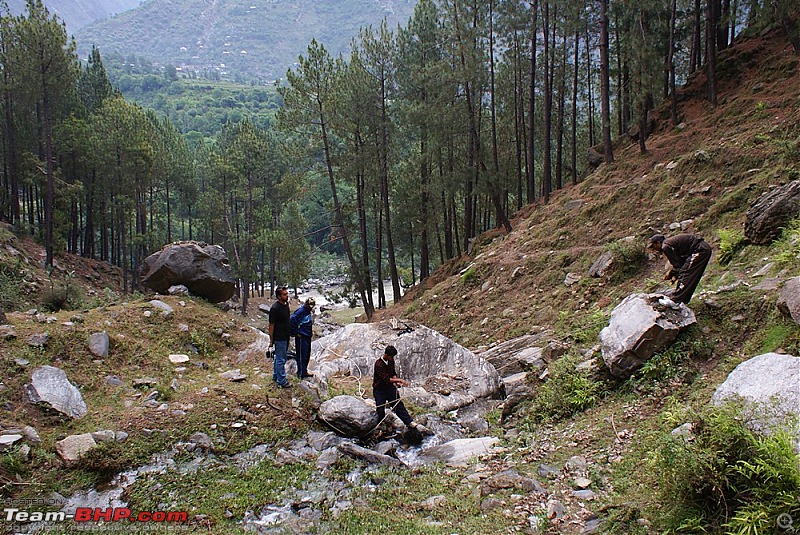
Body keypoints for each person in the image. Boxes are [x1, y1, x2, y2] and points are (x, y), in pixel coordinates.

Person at [372, 345, 421, 444]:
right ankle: (381, 427)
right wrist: (399, 380)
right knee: (380, 409)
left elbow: (392, 373)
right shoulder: (378, 364)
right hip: (379, 390)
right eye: (391, 357)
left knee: (398, 405)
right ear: (386, 355)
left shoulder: (391, 361)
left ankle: (408, 422)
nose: (392, 359)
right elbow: (385, 379)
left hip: (390, 388)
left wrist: (396, 381)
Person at [648, 233, 712, 304]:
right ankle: (682, 299)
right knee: (687, 273)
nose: (654, 249)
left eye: (653, 246)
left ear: (658, 243)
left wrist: (673, 274)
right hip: (702, 249)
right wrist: (673, 274)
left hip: (699, 250)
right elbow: (680, 263)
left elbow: (678, 266)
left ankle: (676, 300)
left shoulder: (666, 246)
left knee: (686, 273)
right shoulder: (670, 244)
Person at [268, 286, 291, 388]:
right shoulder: (275, 308)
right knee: (281, 359)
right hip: (279, 336)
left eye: (287, 294)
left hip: (286, 335)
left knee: (278, 357)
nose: (287, 296)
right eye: (284, 294)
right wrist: (271, 339)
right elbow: (271, 325)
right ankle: (281, 381)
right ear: (278, 296)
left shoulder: (286, 305)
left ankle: (276, 375)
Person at [290, 297, 315, 379]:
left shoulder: (308, 311)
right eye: (310, 306)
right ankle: (300, 373)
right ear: (306, 304)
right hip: (301, 336)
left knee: (307, 354)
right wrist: (296, 333)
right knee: (301, 355)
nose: (311, 308)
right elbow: (291, 321)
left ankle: (304, 371)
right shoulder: (301, 311)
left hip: (307, 335)